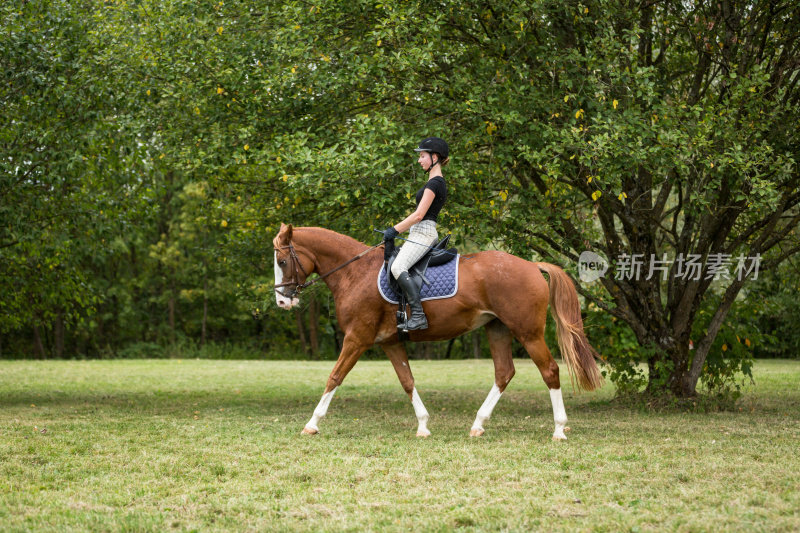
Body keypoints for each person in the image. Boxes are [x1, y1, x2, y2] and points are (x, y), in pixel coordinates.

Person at [382, 137, 449, 330]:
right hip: (418, 234)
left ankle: (418, 315)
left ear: (434, 157)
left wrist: (394, 230)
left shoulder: (435, 183)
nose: (419, 160)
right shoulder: (433, 181)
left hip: (423, 234)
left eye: (422, 156)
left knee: (398, 267)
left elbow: (419, 215)